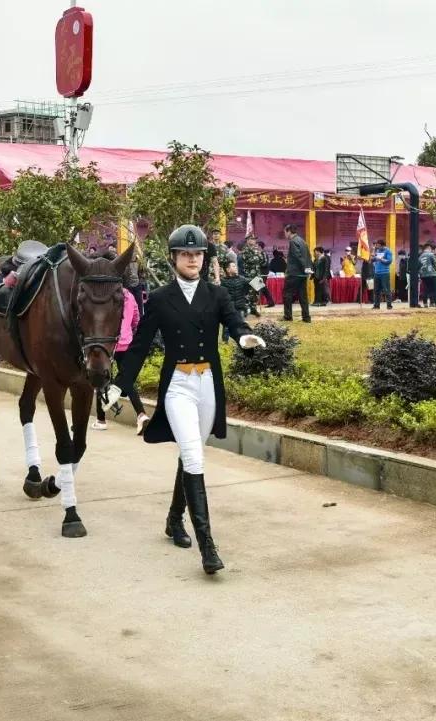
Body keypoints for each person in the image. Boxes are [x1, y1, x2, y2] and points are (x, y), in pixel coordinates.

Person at [106, 224, 266, 575]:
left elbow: (235, 323)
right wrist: (119, 384)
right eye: (185, 254)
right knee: (193, 454)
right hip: (178, 384)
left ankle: (174, 519)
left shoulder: (217, 294)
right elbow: (140, 344)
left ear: (204, 257)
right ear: (174, 258)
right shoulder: (161, 298)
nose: (192, 259)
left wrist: (244, 339)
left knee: (192, 451)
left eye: (197, 254)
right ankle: (208, 547)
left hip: (208, 382)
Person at [92, 287, 150, 433]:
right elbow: (136, 317)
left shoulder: (105, 294)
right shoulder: (129, 295)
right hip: (126, 343)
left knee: (102, 379)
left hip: (108, 345)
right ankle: (141, 415)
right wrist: (129, 331)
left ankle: (101, 420)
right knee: (127, 380)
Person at [281, 223, 312, 323]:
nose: (285, 234)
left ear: (289, 231)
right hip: (302, 274)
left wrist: (303, 267)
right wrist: (307, 268)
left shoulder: (293, 241)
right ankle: (306, 317)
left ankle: (288, 316)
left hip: (294, 273)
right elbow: (308, 255)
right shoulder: (303, 241)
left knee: (287, 294)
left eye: (285, 232)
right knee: (303, 296)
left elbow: (298, 256)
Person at [239, 235, 273, 313]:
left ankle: (253, 308)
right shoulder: (245, 249)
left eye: (254, 239)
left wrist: (258, 255)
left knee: (256, 292)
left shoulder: (256, 249)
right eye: (252, 239)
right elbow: (250, 260)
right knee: (249, 293)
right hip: (248, 275)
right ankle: (247, 309)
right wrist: (257, 256)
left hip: (257, 274)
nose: (253, 241)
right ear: (247, 240)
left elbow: (262, 261)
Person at [220, 260, 251, 342]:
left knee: (242, 324)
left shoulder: (242, 279)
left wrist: (258, 282)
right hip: (229, 308)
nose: (236, 268)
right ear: (227, 269)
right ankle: (225, 342)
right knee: (227, 326)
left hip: (240, 306)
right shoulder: (223, 282)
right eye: (233, 266)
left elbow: (251, 284)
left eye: (235, 266)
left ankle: (244, 341)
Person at [371, 238, 393, 310]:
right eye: (377, 245)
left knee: (386, 290)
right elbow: (373, 260)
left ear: (382, 245)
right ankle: (376, 305)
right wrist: (372, 257)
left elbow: (389, 261)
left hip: (385, 273)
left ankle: (389, 305)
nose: (377, 246)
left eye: (378, 245)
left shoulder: (388, 251)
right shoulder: (377, 251)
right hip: (377, 273)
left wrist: (381, 259)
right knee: (376, 290)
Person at [418, 242, 436, 309]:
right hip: (433, 274)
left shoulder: (420, 256)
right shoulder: (431, 254)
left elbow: (419, 266)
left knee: (425, 289)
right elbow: (435, 264)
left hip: (423, 275)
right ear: (429, 248)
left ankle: (425, 303)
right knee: (435, 289)